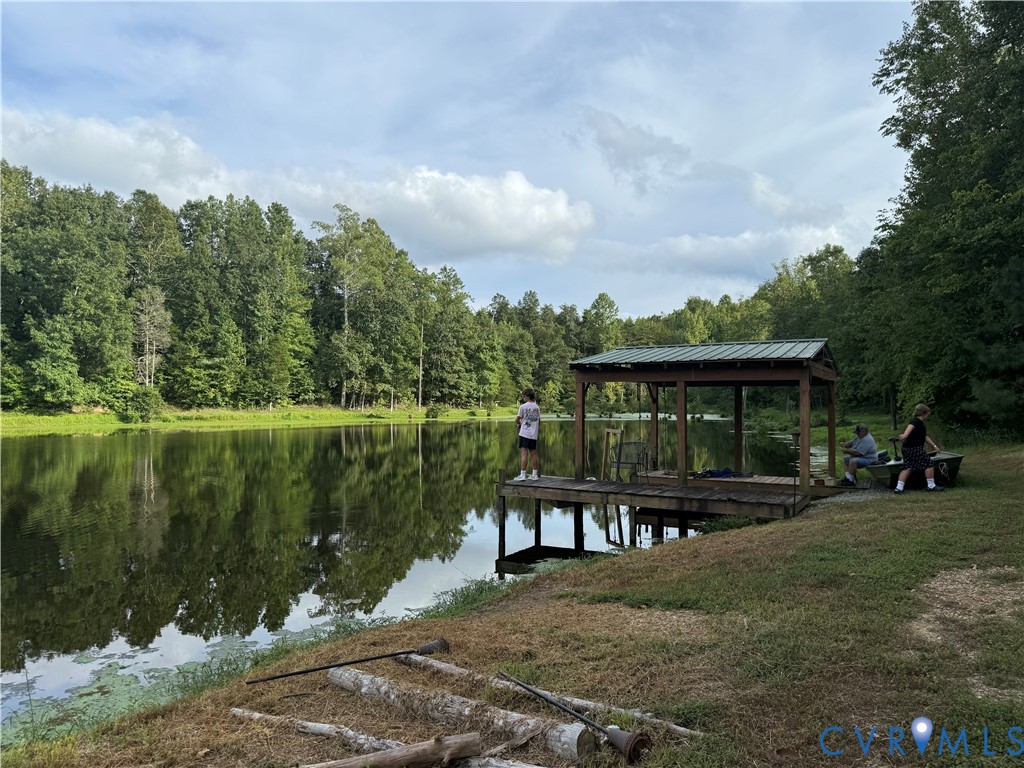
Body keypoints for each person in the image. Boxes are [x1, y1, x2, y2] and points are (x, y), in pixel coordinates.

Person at [894, 403, 944, 494]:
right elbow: (910, 427)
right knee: (928, 463)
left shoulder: (921, 424)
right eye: (928, 414)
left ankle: (899, 488)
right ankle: (931, 486)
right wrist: (905, 435)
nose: (928, 416)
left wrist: (934, 446)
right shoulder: (916, 422)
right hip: (914, 448)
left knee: (908, 466)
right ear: (924, 413)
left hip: (907, 448)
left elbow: (924, 436)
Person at [512, 388, 540, 481]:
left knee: (524, 454)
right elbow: (538, 420)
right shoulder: (536, 407)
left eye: (523, 396)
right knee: (533, 454)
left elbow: (517, 419)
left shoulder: (523, 407)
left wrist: (518, 424)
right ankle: (535, 475)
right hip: (534, 434)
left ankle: (522, 475)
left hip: (524, 433)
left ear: (527, 396)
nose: (523, 398)